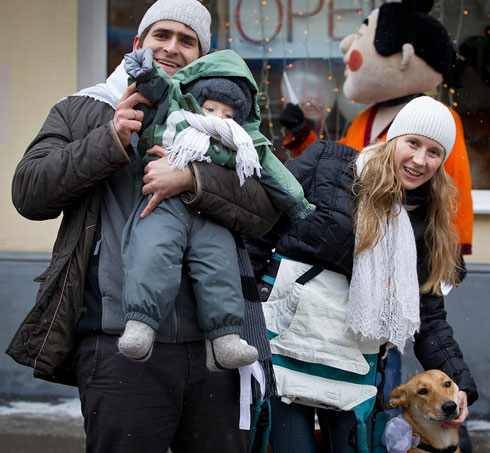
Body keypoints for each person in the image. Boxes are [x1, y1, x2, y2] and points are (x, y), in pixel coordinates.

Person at [6, 1, 279, 452]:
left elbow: (265, 211)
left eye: (187, 41)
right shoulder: (84, 109)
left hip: (215, 346)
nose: (171, 48)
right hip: (118, 343)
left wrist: (194, 180)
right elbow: (29, 192)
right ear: (139, 44)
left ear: (202, 57)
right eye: (161, 35)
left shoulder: (226, 121)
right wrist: (109, 139)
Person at [245, 96, 478, 452]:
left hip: (354, 365)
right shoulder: (328, 163)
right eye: (413, 143)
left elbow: (428, 317)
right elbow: (257, 233)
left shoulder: (427, 222)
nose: (420, 160)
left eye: (434, 152)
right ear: (393, 138)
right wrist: (245, 315)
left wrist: (460, 383)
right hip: (287, 347)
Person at [118, 47, 313, 367]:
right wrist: (145, 71)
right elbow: (157, 89)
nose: (218, 119)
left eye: (228, 114)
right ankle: (141, 323)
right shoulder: (175, 114)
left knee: (220, 266)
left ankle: (225, 339)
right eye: (210, 108)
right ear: (195, 101)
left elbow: (273, 172)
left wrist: (297, 204)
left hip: (212, 213)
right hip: (163, 206)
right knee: (153, 251)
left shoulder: (243, 142)